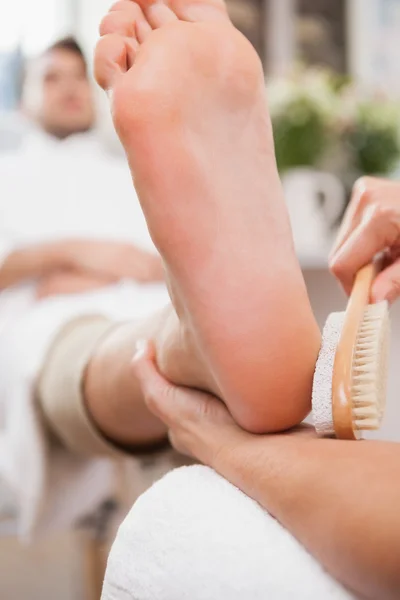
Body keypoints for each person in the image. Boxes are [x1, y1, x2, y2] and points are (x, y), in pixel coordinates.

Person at [85, 2, 400, 599]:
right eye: (50, 79)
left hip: (123, 298)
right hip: (72, 302)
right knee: (65, 346)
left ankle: (192, 343)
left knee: (91, 355)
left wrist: (216, 439)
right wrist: (66, 259)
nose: (65, 90)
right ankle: (191, 342)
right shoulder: (18, 163)